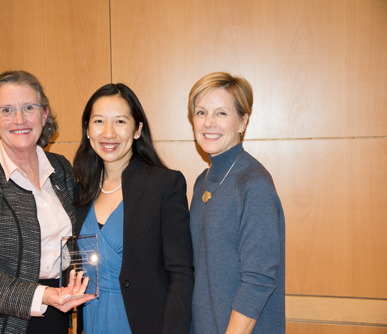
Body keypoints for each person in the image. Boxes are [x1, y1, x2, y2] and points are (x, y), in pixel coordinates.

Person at [0, 70, 94, 334]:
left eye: (29, 108)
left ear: (44, 115)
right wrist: (43, 295)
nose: (20, 119)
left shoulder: (61, 168)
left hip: (56, 317)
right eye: (7, 110)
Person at [73, 83, 194, 334]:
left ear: (138, 129)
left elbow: (181, 274)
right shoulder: (79, 192)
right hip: (92, 321)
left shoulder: (164, 185)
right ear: (87, 129)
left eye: (120, 121)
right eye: (98, 121)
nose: (108, 133)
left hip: (141, 324)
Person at [188, 72, 285, 334]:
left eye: (221, 113)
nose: (209, 123)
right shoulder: (202, 181)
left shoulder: (253, 184)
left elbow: (259, 281)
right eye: (200, 112)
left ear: (243, 121)